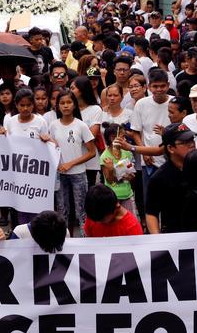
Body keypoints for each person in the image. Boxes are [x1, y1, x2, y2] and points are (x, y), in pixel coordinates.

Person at [49, 90, 95, 233]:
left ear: (74, 104)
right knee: (62, 210)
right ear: (57, 106)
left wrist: (71, 163)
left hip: (78, 174)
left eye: (69, 102)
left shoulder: (81, 125)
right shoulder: (53, 125)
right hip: (60, 174)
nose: (66, 106)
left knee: (81, 210)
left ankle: (84, 241)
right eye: (62, 103)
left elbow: (92, 152)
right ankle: (64, 241)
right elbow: (52, 148)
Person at [145, 123, 197, 233]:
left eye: (192, 140)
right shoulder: (159, 178)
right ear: (170, 148)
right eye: (185, 142)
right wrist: (158, 240)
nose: (192, 144)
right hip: (174, 238)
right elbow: (151, 213)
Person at [131, 69, 172, 200]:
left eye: (162, 86)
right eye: (155, 86)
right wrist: (144, 152)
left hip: (171, 161)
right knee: (150, 200)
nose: (159, 89)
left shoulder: (175, 103)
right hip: (149, 162)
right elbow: (136, 132)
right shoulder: (141, 104)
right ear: (149, 87)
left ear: (168, 85)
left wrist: (166, 133)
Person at [99, 123, 136, 215]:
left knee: (128, 222)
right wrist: (111, 170)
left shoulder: (126, 153)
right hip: (113, 197)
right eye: (123, 137)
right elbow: (110, 181)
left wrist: (130, 176)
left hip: (127, 194)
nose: (125, 139)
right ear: (112, 138)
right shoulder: (105, 156)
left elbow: (132, 175)